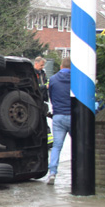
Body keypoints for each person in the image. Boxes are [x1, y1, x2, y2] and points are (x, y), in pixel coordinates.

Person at [47, 57, 72, 185]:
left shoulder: (53, 79)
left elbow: (50, 96)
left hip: (58, 116)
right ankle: (78, 172)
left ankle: (52, 173)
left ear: (61, 66)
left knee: (57, 146)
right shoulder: (76, 79)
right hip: (74, 116)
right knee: (78, 145)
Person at [34, 56, 53, 147]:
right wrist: (45, 87)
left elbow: (45, 83)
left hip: (43, 99)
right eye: (41, 65)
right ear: (36, 64)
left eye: (43, 65)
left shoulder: (43, 73)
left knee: (43, 119)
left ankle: (48, 141)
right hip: (36, 99)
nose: (42, 67)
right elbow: (35, 87)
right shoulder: (33, 73)